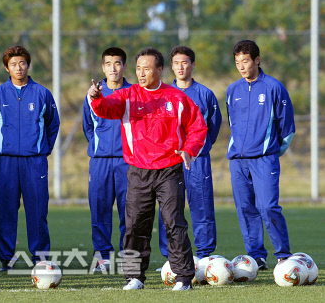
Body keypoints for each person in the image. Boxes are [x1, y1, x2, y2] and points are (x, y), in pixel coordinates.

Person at [87, 47, 208, 290]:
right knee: (134, 225)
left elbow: (198, 127)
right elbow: (105, 109)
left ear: (159, 70)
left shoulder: (177, 98)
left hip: (170, 170)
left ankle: (184, 278)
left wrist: (189, 149)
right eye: (138, 68)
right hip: (138, 171)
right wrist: (95, 97)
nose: (141, 73)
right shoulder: (127, 95)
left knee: (174, 222)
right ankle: (134, 277)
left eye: (147, 69)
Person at [0, 45, 60, 271]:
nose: (19, 68)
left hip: (35, 161)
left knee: (37, 210)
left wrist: (42, 148)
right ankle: (8, 259)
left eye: (23, 63)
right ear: (7, 67)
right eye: (14, 64)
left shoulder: (42, 93)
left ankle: (40, 259)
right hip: (7, 161)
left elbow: (53, 124)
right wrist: (2, 145)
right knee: (6, 210)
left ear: (28, 65)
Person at [226, 40, 294, 270]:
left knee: (267, 206)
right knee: (246, 208)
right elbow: (232, 123)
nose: (241, 67)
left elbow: (287, 128)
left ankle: (283, 255)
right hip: (238, 161)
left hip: (265, 159)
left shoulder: (274, 87)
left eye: (245, 61)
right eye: (237, 62)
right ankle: (256, 256)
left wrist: (272, 151)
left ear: (257, 60)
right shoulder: (232, 90)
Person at [157, 45, 222, 261]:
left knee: (202, 207)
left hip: (197, 160)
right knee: (168, 210)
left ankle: (204, 256)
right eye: (176, 63)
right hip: (169, 161)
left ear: (192, 64)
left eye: (184, 62)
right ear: (171, 67)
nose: (180, 67)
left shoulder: (205, 94)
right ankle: (170, 258)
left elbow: (213, 126)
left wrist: (198, 149)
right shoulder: (163, 93)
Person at [83, 47, 131, 272]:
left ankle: (127, 256)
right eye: (109, 64)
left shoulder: (134, 92)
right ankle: (103, 257)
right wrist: (99, 147)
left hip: (128, 161)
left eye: (118, 63)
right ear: (103, 67)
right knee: (99, 209)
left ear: (124, 66)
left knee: (129, 211)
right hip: (100, 162)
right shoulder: (92, 93)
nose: (113, 68)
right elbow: (88, 128)